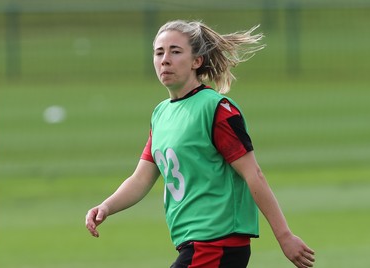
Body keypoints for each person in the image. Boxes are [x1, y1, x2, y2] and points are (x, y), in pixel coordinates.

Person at [85, 20, 315, 268]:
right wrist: (106, 206)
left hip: (216, 242)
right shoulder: (161, 113)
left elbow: (253, 174)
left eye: (175, 51)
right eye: (159, 52)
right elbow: (141, 179)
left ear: (197, 61)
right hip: (194, 243)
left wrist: (284, 236)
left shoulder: (216, 109)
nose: (165, 60)